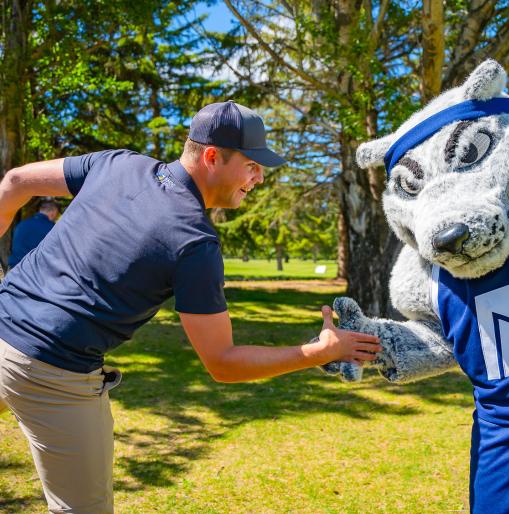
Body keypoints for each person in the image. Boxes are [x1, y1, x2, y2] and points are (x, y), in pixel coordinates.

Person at [0, 100, 381, 514]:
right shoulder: (194, 241)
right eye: (252, 165)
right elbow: (222, 363)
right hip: (53, 372)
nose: (259, 178)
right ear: (212, 157)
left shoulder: (118, 163)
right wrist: (317, 353)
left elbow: (16, 181)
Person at [7, 198, 60, 269]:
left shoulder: (22, 224)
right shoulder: (52, 228)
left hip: (14, 268)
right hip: (35, 271)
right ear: (53, 212)